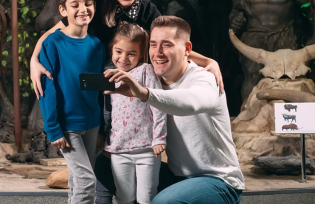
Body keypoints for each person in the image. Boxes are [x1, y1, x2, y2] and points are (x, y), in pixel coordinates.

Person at [30, 0, 224, 203]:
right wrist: (35, 57)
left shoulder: (147, 10)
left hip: (135, 86)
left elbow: (170, 44)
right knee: (101, 161)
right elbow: (61, 26)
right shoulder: (96, 4)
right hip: (103, 88)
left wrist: (208, 60)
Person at [104, 16, 244, 204]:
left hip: (218, 181)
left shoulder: (205, 79)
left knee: (163, 203)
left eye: (167, 45)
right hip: (176, 177)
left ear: (187, 49)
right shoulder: (150, 76)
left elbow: (191, 101)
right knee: (104, 163)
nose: (158, 53)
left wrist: (144, 93)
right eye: (153, 45)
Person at [38, 0, 105, 204]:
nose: (83, 9)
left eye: (88, 3)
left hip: (92, 123)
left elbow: (97, 89)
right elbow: (47, 90)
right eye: (75, 4)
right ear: (63, 10)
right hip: (67, 126)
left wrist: (101, 128)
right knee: (87, 182)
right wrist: (53, 129)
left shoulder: (97, 45)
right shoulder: (52, 44)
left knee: (79, 182)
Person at [103, 23, 166, 204]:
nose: (123, 58)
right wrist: (108, 141)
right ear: (112, 50)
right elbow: (108, 112)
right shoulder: (109, 76)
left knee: (147, 197)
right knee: (124, 197)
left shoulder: (146, 71)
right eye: (119, 51)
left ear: (141, 53)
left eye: (131, 53)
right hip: (119, 149)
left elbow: (159, 105)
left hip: (146, 149)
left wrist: (159, 138)